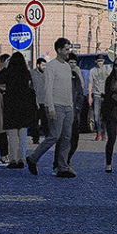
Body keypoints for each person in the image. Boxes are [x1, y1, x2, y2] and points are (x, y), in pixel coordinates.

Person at [27, 38, 79, 177]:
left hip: (68, 106)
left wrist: (71, 106)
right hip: (56, 106)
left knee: (67, 137)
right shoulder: (51, 66)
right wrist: (50, 108)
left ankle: (62, 166)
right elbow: (48, 89)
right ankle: (33, 158)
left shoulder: (67, 66)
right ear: (59, 50)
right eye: (66, 49)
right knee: (54, 136)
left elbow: (69, 89)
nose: (68, 52)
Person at [0, 52, 37, 169]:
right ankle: (22, 159)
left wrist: (5, 67)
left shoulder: (8, 72)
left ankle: (13, 159)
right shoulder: (26, 72)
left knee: (12, 135)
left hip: (11, 105)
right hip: (24, 105)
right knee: (22, 134)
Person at [88, 56, 112, 141]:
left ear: (104, 61)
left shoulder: (107, 68)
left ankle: (103, 133)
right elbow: (90, 83)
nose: (100, 63)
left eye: (101, 61)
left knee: (104, 115)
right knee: (96, 115)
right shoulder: (92, 71)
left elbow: (113, 79)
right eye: (98, 61)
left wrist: (110, 75)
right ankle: (98, 131)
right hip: (96, 95)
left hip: (105, 95)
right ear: (96, 62)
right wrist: (90, 96)